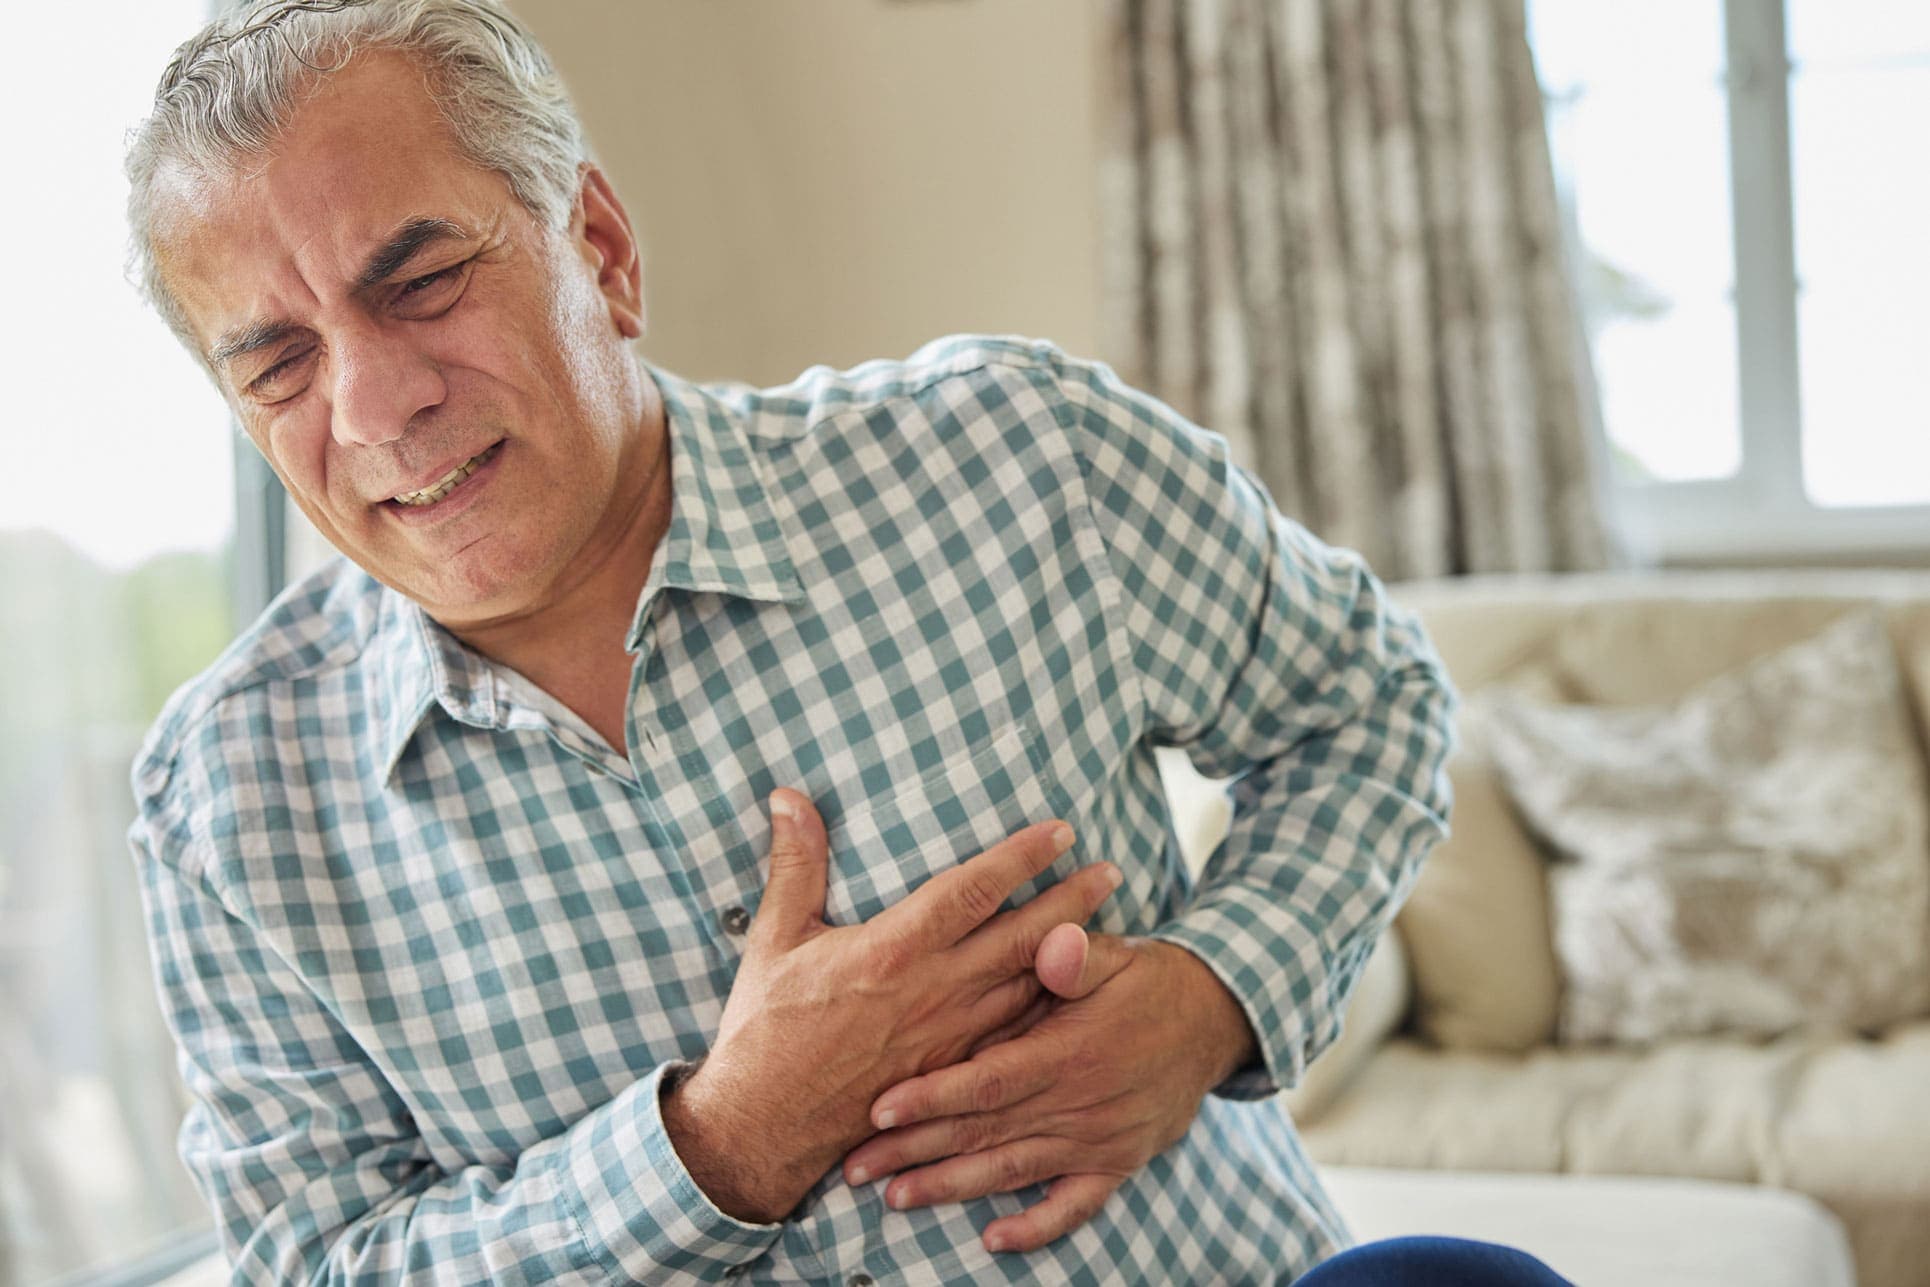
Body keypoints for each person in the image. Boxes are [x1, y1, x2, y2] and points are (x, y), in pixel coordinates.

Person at [123, 1, 1566, 1282]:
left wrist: (1214, 998)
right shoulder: (223, 800)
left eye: (423, 281)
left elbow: (1367, 704)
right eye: (279, 362)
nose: (376, 406)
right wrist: (727, 1139)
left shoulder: (1019, 451)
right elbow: (319, 1263)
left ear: (600, 250)